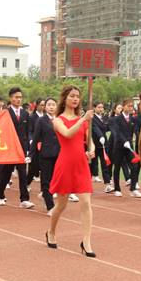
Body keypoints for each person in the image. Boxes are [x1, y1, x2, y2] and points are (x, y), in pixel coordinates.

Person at [46, 86, 96, 257]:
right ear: (65, 98)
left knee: (86, 203)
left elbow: (89, 140)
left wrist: (91, 149)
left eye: (77, 96)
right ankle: (51, 232)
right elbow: (67, 134)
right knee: (61, 205)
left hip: (81, 164)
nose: (75, 99)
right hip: (65, 164)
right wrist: (83, 119)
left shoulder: (84, 120)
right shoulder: (57, 120)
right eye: (72, 96)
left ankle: (86, 241)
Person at [0, 87, 34, 209]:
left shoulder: (25, 114)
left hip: (21, 148)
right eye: (16, 97)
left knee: (23, 173)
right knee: (6, 173)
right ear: (11, 98)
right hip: (9, 148)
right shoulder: (5, 113)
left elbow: (27, 133)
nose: (19, 99)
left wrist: (28, 148)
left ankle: (24, 199)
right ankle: (0, 194)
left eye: (20, 97)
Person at [30, 98, 59, 215]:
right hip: (46, 155)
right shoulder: (41, 120)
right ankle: (50, 206)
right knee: (46, 181)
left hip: (58, 154)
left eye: (53, 105)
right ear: (45, 107)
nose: (51, 107)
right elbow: (36, 138)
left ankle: (46, 195)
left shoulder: (59, 120)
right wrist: (30, 155)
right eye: (49, 105)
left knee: (55, 180)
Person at [109, 99, 141, 198]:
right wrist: (124, 141)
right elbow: (117, 132)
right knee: (117, 167)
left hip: (129, 147)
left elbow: (135, 130)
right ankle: (117, 189)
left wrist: (135, 139)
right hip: (119, 146)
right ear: (123, 106)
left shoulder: (132, 119)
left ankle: (133, 189)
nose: (131, 108)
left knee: (134, 166)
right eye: (129, 106)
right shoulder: (116, 119)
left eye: (132, 106)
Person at [90, 101, 113, 193]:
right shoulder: (92, 118)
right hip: (94, 145)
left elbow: (106, 128)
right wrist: (100, 136)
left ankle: (108, 184)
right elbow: (95, 128)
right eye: (99, 107)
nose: (101, 109)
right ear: (94, 108)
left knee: (105, 164)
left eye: (102, 107)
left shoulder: (104, 118)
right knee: (91, 164)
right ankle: (87, 184)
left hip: (103, 145)